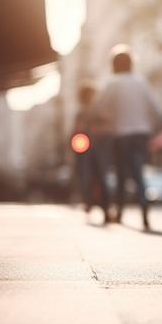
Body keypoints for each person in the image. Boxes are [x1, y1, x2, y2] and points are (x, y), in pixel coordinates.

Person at [92, 46, 162, 230]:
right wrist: (149, 128)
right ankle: (144, 205)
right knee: (139, 171)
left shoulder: (114, 83)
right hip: (141, 133)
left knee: (122, 174)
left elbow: (98, 107)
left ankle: (121, 211)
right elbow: (158, 110)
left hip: (121, 134)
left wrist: (108, 117)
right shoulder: (141, 83)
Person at [74, 85, 112, 224]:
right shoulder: (83, 112)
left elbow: (106, 125)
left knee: (99, 177)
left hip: (96, 147)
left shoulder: (97, 111)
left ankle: (101, 206)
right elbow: (79, 129)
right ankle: (93, 203)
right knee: (91, 177)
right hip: (89, 148)